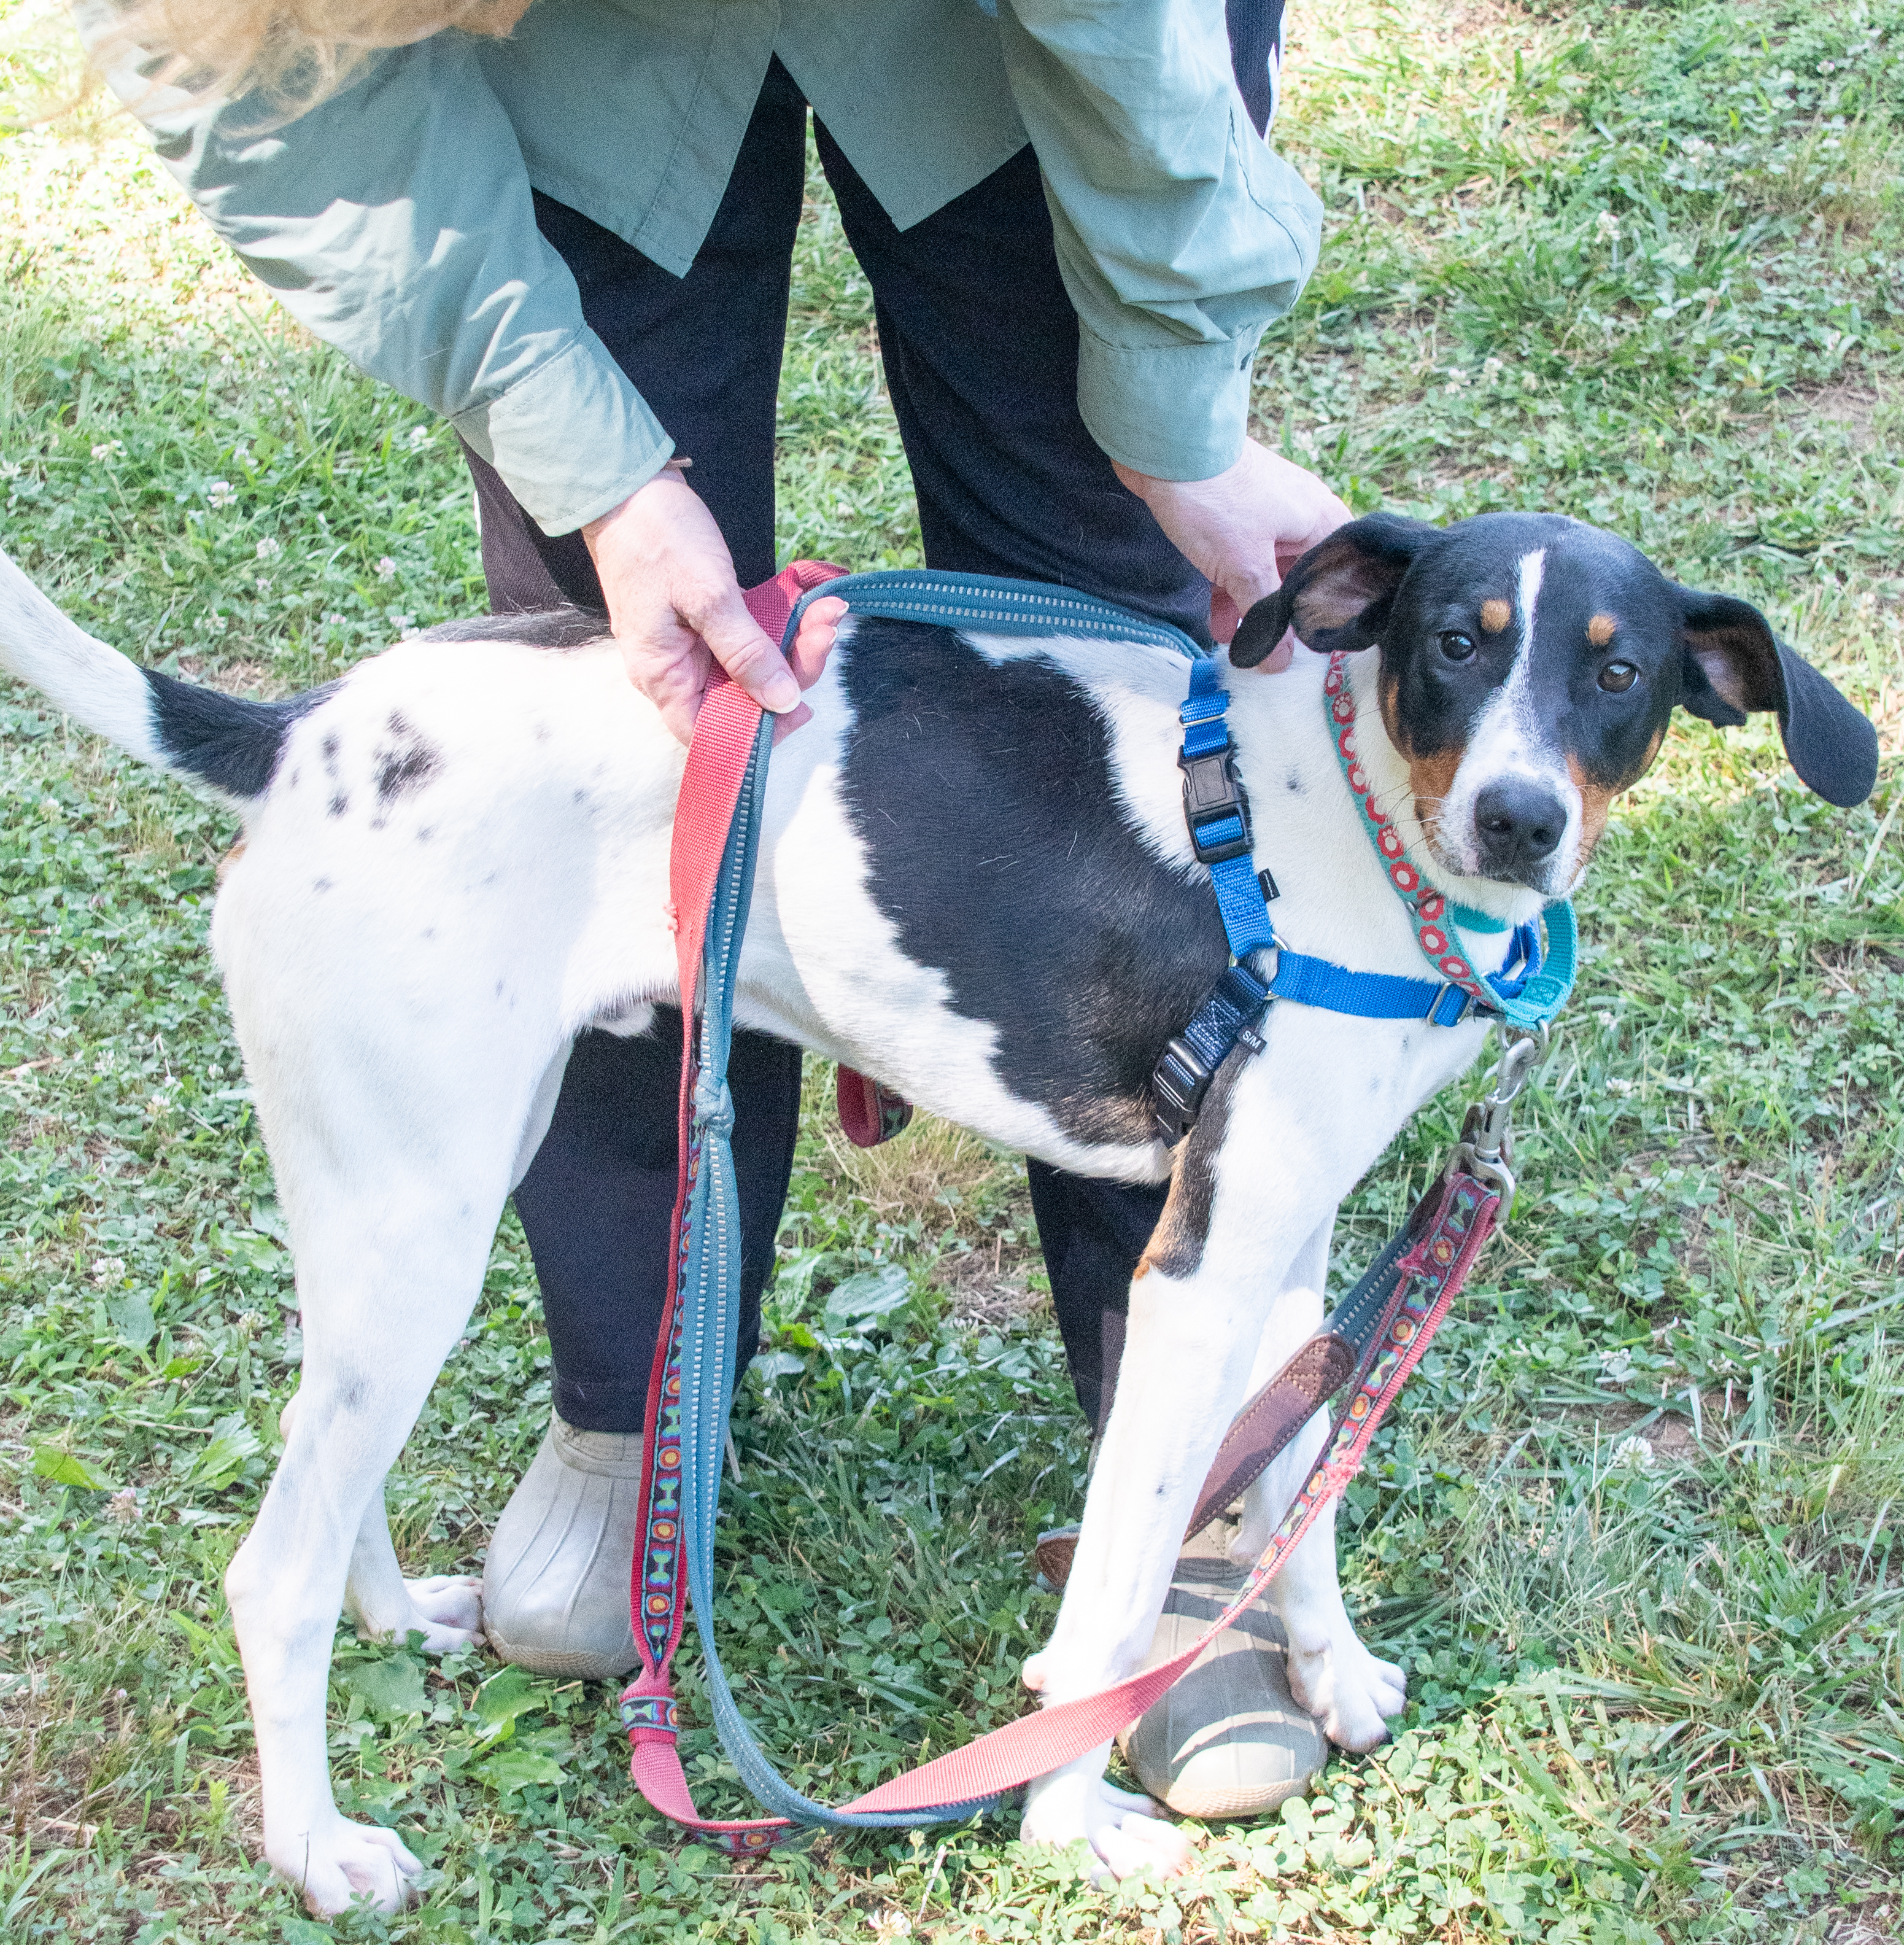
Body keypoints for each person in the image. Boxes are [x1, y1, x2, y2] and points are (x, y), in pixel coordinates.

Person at [86, 0, 1353, 1819]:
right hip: (577, 56)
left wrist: (1167, 407)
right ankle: (635, 1396)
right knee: (616, 702)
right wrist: (593, 468)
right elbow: (256, 92)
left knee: (1091, 548)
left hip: (1035, 53)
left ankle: (1198, 1472)